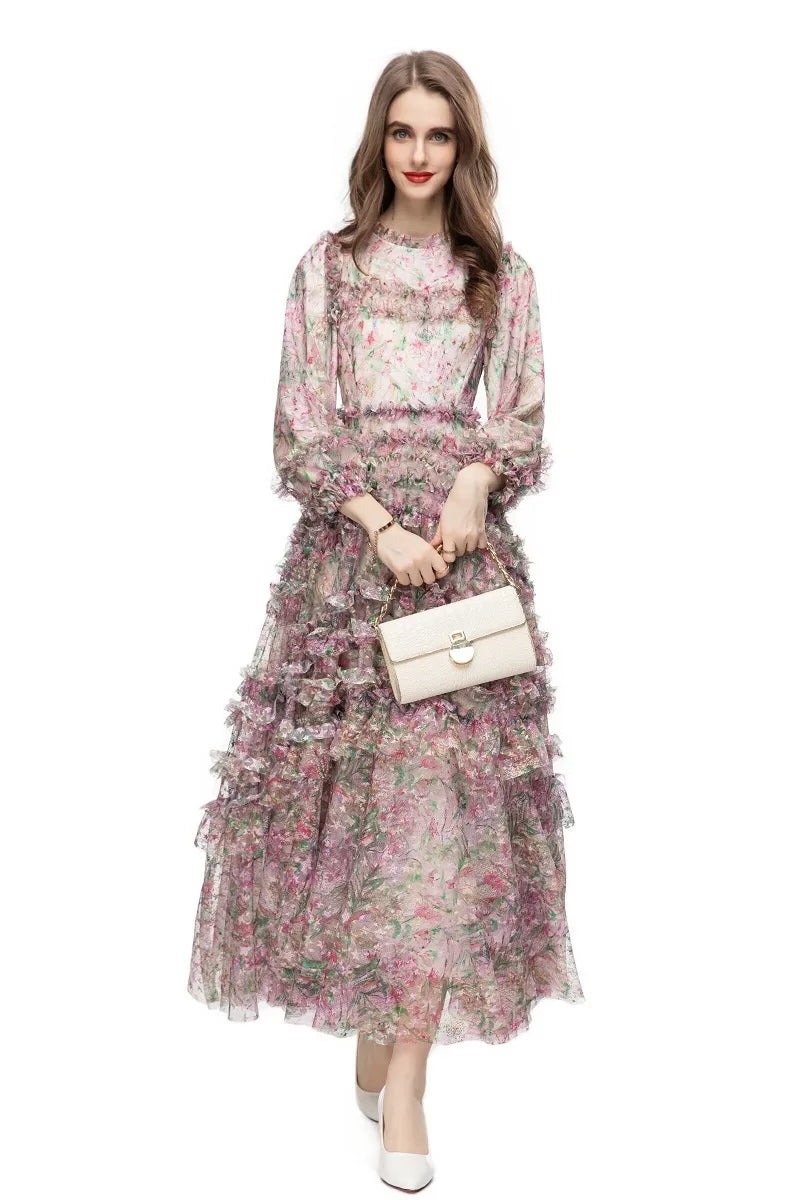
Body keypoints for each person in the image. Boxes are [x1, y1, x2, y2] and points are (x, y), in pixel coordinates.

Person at [187, 49, 585, 1192]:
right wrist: (375, 524)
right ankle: (381, 1016)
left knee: (437, 822)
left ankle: (403, 1078)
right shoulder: (329, 267)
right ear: (377, 141)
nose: (419, 154)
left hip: (458, 569)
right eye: (402, 133)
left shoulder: (497, 273)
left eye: (438, 135)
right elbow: (299, 426)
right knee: (356, 818)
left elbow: (519, 416)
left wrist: (469, 485)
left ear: (464, 148)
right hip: (349, 573)